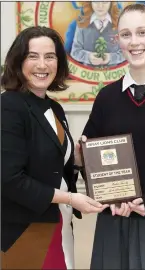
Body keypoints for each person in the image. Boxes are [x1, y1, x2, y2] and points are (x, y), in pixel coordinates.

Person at [1, 26, 108, 270]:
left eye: (50, 56)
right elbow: (9, 180)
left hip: (60, 224)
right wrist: (71, 198)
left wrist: (79, 160)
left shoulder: (55, 108)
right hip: (27, 233)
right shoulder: (8, 107)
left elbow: (54, 168)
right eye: (33, 56)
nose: (42, 65)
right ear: (18, 62)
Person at [77, 3, 145, 269]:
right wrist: (83, 160)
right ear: (117, 41)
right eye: (126, 34)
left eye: (142, 32)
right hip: (113, 225)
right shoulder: (106, 98)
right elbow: (88, 163)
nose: (134, 42)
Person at [70, 1, 125, 67]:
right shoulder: (81, 24)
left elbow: (126, 52)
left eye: (105, 2)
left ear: (111, 3)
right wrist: (88, 57)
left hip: (113, 74)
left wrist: (111, 58)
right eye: (96, 1)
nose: (100, 6)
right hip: (88, 74)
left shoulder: (120, 24)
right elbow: (75, 52)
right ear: (90, 2)